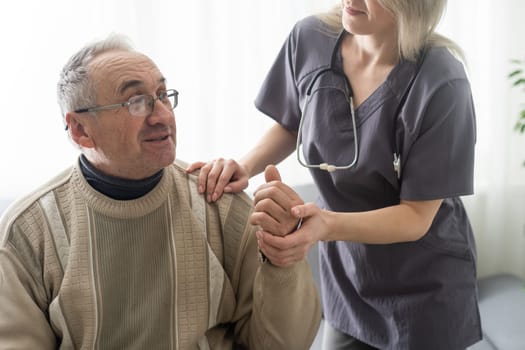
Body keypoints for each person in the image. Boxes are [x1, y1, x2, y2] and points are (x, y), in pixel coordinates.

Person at [187, 0, 482, 349]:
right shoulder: (310, 39)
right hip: (348, 281)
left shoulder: (441, 83)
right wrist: (245, 166)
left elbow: (416, 217)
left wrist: (325, 225)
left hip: (425, 292)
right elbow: (294, 122)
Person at [0, 34, 322, 349]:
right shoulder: (28, 233)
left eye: (163, 95)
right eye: (136, 102)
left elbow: (285, 344)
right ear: (81, 130)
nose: (164, 116)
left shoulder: (220, 205)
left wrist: (283, 257)